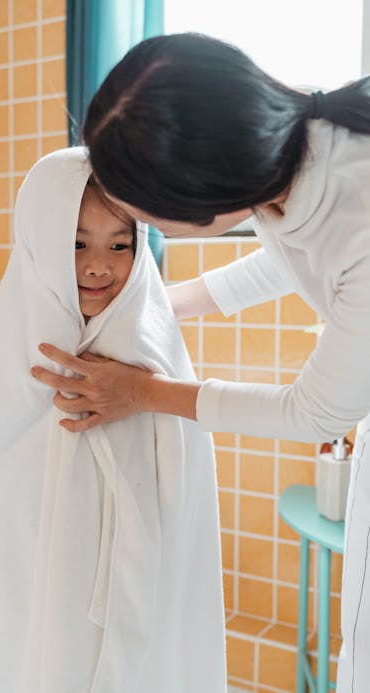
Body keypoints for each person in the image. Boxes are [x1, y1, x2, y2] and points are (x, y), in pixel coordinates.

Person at [30, 33, 370, 692]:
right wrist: (154, 307)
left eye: (135, 225)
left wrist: (144, 391)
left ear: (201, 207)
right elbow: (287, 254)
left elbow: (318, 411)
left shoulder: (359, 218)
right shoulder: (282, 140)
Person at [0, 147, 226, 693]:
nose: (97, 264)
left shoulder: (151, 345)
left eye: (120, 245)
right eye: (76, 243)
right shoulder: (8, 355)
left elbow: (181, 482)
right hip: (32, 591)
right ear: (39, 242)